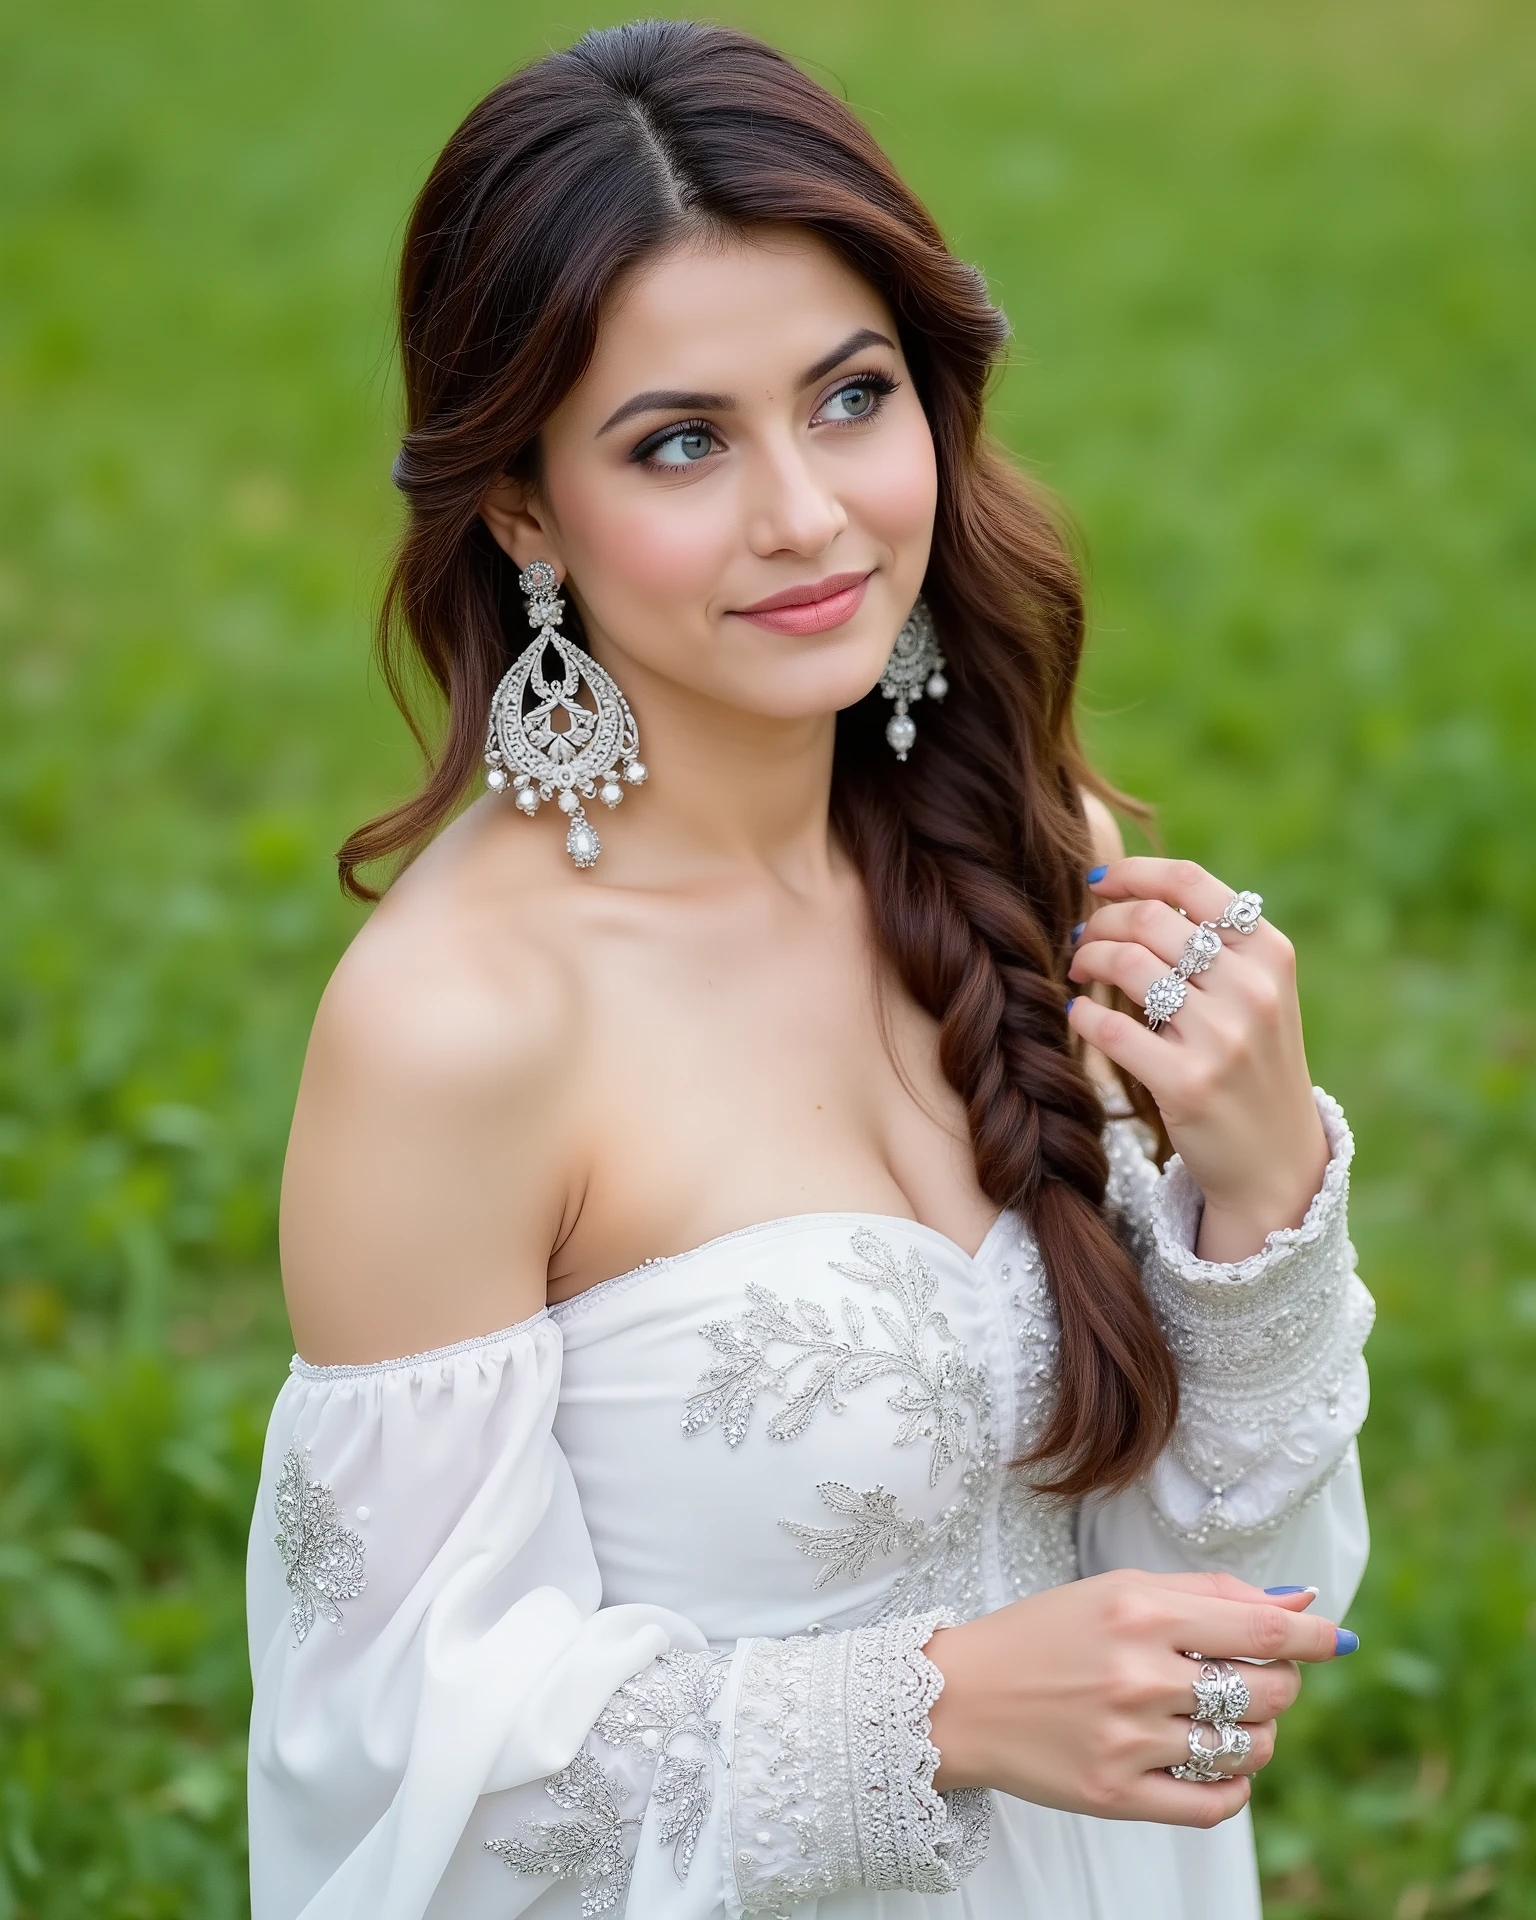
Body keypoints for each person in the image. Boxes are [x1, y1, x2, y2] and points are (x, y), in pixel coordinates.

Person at [247, 21, 1372, 1918]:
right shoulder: (460, 1030)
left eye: (849, 398)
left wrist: (1257, 1196)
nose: (807, 514)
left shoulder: (1042, 854)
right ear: (521, 508)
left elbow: (1242, 1608)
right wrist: (929, 1712)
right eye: (680, 441)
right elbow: (396, 1774)